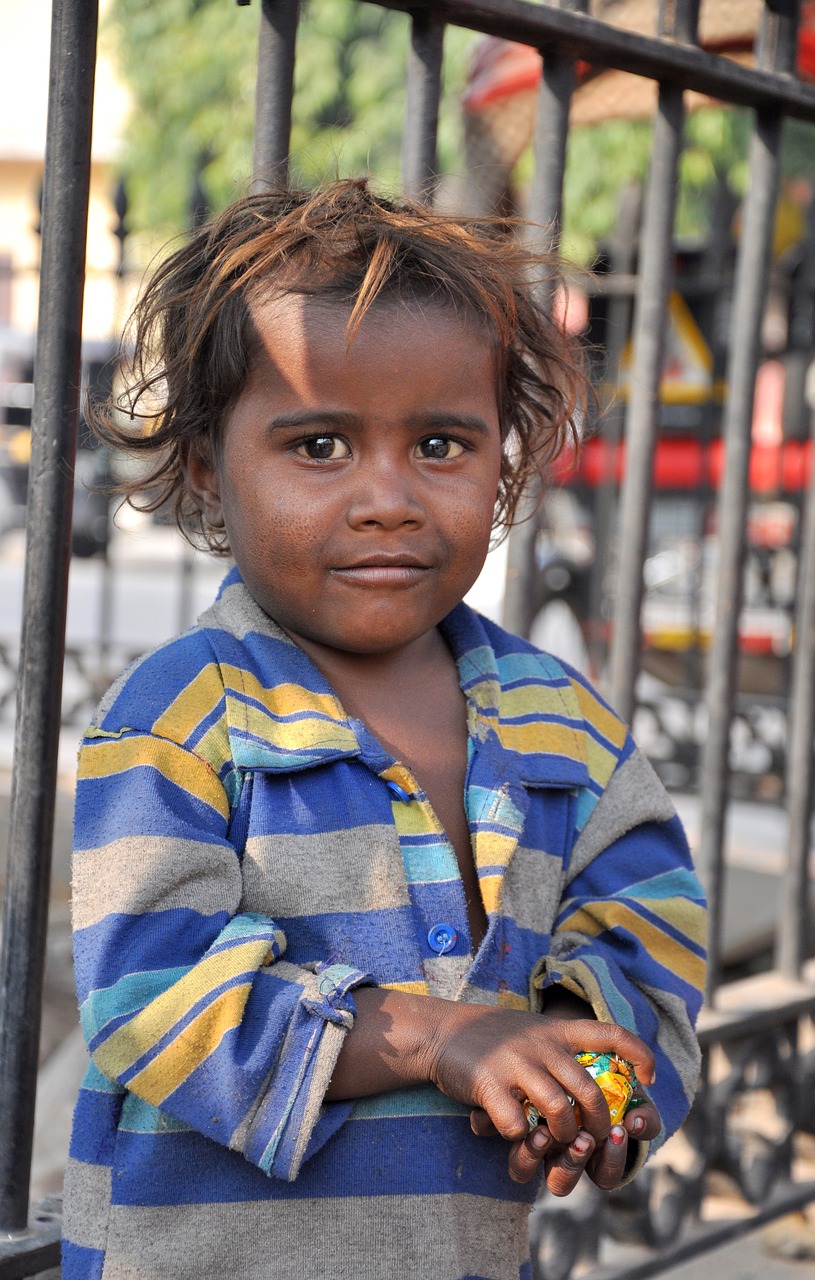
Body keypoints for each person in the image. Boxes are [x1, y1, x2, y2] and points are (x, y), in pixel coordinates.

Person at [64, 179, 706, 1280]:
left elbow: (649, 930)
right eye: (319, 446)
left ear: (502, 462)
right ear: (212, 474)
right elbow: (150, 994)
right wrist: (437, 1035)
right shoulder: (181, 715)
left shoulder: (565, 724)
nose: (388, 498)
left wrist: (573, 1060)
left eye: (442, 445)